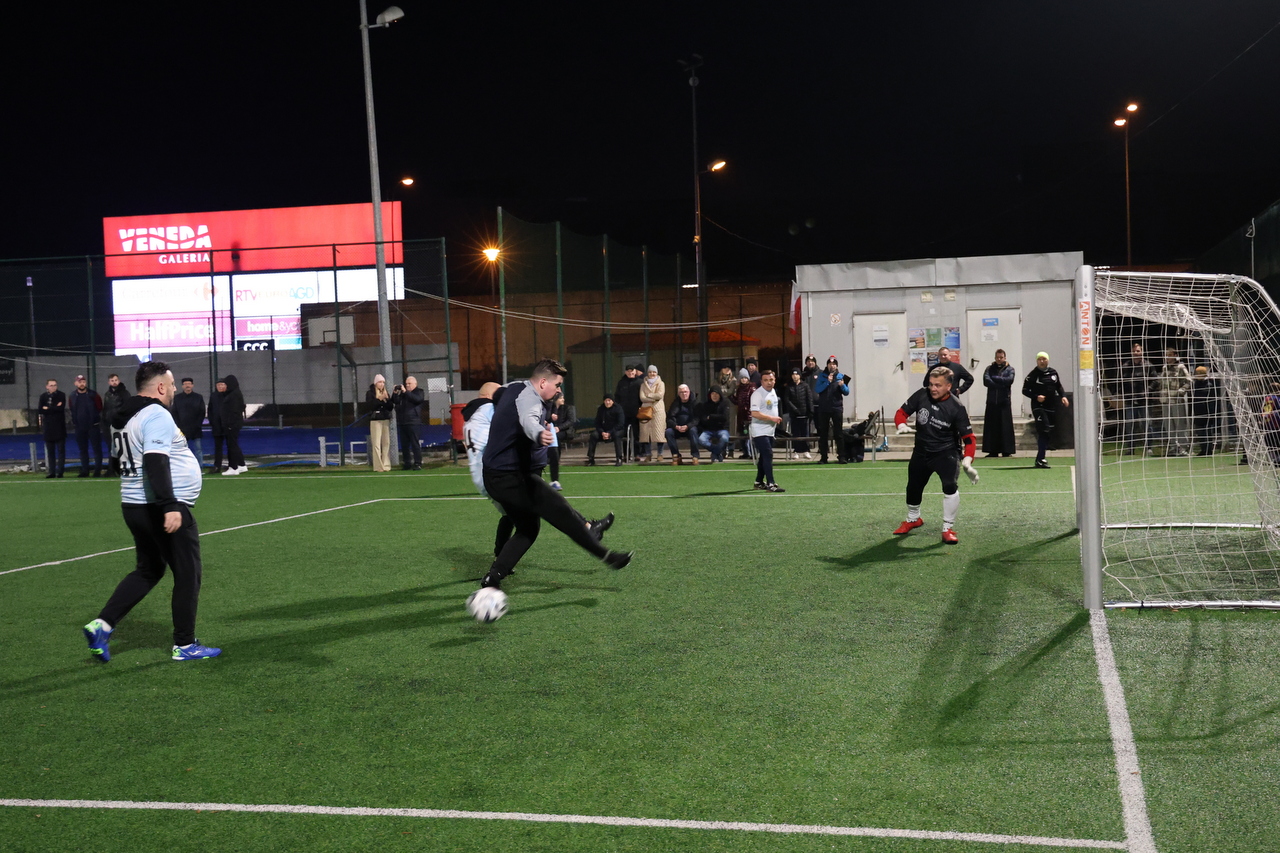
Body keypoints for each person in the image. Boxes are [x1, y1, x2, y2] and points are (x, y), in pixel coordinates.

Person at [81, 360, 220, 663]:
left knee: (150, 569)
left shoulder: (120, 416)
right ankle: (185, 644)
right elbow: (156, 461)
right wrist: (170, 505)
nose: (173, 390)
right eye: (171, 385)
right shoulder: (156, 414)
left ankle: (102, 625)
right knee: (188, 574)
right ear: (160, 387)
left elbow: (116, 462)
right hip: (161, 506)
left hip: (133, 505)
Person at [479, 359, 631, 591]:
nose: (559, 390)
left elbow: (497, 393)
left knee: (528, 529)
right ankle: (608, 557)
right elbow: (529, 420)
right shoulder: (531, 399)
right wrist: (539, 434)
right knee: (562, 512)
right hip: (511, 477)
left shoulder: (513, 387)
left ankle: (493, 577)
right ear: (542, 382)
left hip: (494, 476)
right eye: (557, 384)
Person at [892, 366, 979, 544]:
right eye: (931, 384)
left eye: (938, 385)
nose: (933, 388)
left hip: (946, 453)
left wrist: (968, 461)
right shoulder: (921, 394)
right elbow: (901, 413)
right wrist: (901, 424)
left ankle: (947, 528)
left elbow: (969, 439)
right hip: (921, 451)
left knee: (949, 486)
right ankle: (913, 518)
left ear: (949, 386)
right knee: (913, 487)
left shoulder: (957, 407)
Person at [463, 382, 516, 558]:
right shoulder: (487, 408)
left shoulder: (472, 416)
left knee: (510, 514)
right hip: (492, 474)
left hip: (479, 475)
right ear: (488, 396)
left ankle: (500, 554)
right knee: (527, 514)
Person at [1022, 352, 1069, 469]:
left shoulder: (1053, 373)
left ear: (1048, 360)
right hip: (1039, 406)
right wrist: (1036, 396)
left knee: (1048, 432)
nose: (1042, 361)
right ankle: (1040, 458)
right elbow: (1025, 390)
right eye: (1039, 359)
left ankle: (1040, 458)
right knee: (1044, 429)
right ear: (1037, 361)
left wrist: (1063, 396)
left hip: (1051, 406)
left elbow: (1058, 386)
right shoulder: (1033, 375)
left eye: (1044, 359)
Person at [749, 369, 785, 492]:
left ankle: (758, 482)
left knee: (764, 456)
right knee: (768, 454)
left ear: (775, 380)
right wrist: (772, 418)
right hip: (759, 430)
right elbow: (754, 413)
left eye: (771, 380)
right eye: (766, 380)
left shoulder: (773, 391)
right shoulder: (757, 394)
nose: (769, 382)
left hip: (770, 430)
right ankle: (771, 483)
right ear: (761, 381)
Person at [813, 356, 850, 463]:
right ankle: (824, 457)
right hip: (824, 408)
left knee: (838, 433)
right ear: (827, 365)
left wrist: (842, 386)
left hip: (836, 408)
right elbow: (817, 389)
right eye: (830, 364)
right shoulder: (822, 376)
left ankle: (841, 456)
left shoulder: (841, 376)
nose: (832, 366)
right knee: (823, 433)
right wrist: (827, 382)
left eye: (834, 364)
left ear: (836, 366)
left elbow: (847, 392)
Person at [1119, 343, 1154, 455]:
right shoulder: (1126, 366)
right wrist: (1122, 392)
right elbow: (1121, 381)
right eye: (1134, 351)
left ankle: (1148, 447)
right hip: (1130, 400)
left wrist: (1148, 390)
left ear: (1142, 352)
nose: (1136, 353)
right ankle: (1130, 448)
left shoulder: (1148, 365)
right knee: (1130, 425)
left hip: (1144, 400)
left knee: (1146, 424)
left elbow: (1155, 380)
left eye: (1138, 351)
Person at [981, 349, 1016, 457]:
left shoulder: (1010, 369)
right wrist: (1000, 383)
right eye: (997, 357)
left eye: (1001, 357)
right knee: (992, 427)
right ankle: (992, 451)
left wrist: (996, 378)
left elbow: (1009, 380)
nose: (999, 359)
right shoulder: (989, 369)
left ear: (1005, 358)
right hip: (992, 401)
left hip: (1004, 401)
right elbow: (986, 381)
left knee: (1005, 427)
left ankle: (1007, 451)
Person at [68, 374, 104, 477]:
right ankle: (85, 470)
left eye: (83, 382)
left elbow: (99, 407)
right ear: (75, 383)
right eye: (80, 382)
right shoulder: (72, 396)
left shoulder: (93, 395)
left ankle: (97, 471)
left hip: (93, 426)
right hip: (79, 427)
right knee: (83, 449)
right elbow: (72, 409)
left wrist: (94, 419)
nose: (82, 384)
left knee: (96, 449)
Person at [1158, 347, 1192, 456]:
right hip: (1165, 400)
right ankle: (1173, 447)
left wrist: (1181, 391)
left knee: (1180, 424)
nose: (1167, 357)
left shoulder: (1180, 367)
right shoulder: (1164, 368)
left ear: (1175, 355)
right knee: (1169, 425)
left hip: (1176, 400)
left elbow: (1188, 381)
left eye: (1169, 355)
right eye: (1166, 355)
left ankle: (1183, 447)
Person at [171, 377, 206, 469]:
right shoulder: (177, 398)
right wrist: (179, 426)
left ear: (192, 385)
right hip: (182, 429)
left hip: (196, 429)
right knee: (181, 449)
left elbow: (202, 412)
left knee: (198, 449)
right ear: (182, 386)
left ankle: (199, 468)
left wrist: (198, 425)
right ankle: (183, 468)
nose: (187, 386)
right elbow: (174, 413)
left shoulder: (198, 397)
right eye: (185, 384)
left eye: (189, 384)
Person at [392, 375, 425, 470]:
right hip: (403, 422)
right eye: (406, 384)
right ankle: (407, 463)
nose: (407, 385)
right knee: (404, 444)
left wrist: (406, 392)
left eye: (409, 383)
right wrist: (395, 393)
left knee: (415, 443)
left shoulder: (419, 392)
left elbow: (417, 399)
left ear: (415, 384)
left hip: (413, 422)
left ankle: (417, 463)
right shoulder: (403, 394)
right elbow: (395, 401)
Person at [783, 367, 816, 459]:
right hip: (794, 414)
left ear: (800, 375)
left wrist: (811, 411)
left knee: (805, 432)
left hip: (804, 413)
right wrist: (794, 409)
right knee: (796, 433)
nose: (795, 376)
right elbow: (787, 400)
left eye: (796, 374)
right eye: (793, 374)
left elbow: (809, 399)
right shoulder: (789, 386)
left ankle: (806, 450)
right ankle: (796, 451)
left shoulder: (805, 386)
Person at [102, 373, 130, 477]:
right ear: (109, 382)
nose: (114, 382)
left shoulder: (125, 393)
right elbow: (106, 409)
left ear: (119, 380)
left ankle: (123, 469)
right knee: (111, 448)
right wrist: (104, 422)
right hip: (109, 425)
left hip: (120, 425)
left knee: (122, 448)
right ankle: (111, 469)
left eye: (116, 380)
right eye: (112, 380)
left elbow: (127, 409)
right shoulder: (107, 394)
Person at [38, 378, 67, 478]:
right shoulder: (43, 397)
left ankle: (60, 471)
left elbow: (60, 409)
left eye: (55, 385)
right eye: (51, 385)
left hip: (59, 427)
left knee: (61, 451)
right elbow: (41, 410)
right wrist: (54, 408)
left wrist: (48, 408)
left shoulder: (61, 395)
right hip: (48, 427)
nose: (53, 387)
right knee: (50, 452)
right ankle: (52, 471)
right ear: (47, 386)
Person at [638, 365, 668, 462]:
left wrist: (649, 395)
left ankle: (660, 454)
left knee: (659, 433)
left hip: (658, 410)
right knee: (646, 434)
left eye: (654, 372)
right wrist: (653, 398)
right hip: (646, 410)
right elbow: (642, 398)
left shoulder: (661, 383)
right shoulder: (643, 385)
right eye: (650, 372)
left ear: (657, 373)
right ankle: (648, 454)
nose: (652, 374)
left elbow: (659, 395)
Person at [1190, 365, 1222, 456]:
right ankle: (1203, 449)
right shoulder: (1196, 383)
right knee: (1200, 431)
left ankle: (1208, 449)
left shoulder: (1209, 384)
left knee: (1207, 430)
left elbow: (1211, 398)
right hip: (1198, 410)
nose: (1196, 375)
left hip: (1207, 411)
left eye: (1198, 373)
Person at [587, 393, 626, 466]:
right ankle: (590, 458)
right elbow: (597, 423)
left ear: (613, 401)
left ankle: (619, 458)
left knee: (617, 436)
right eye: (606, 400)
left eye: (609, 400)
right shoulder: (601, 409)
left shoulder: (618, 409)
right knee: (593, 435)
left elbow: (620, 424)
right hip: (603, 431)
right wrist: (602, 432)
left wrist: (609, 433)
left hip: (616, 430)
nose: (607, 402)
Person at [365, 374, 393, 472]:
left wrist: (387, 399)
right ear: (376, 383)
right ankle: (378, 466)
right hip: (375, 420)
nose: (382, 384)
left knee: (386, 442)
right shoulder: (370, 393)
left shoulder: (385, 392)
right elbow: (370, 406)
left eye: (383, 382)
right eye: (380, 382)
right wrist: (379, 399)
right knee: (376, 443)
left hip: (385, 419)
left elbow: (390, 407)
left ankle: (386, 464)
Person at [219, 374, 247, 475]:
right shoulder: (233, 394)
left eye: (226, 384)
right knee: (233, 444)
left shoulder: (234, 395)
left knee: (232, 446)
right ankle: (241, 465)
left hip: (232, 425)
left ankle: (233, 467)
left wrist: (230, 424)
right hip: (232, 424)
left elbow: (234, 411)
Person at [665, 383, 700, 464]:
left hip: (690, 427)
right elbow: (669, 418)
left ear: (689, 392)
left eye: (685, 392)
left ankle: (695, 456)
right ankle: (676, 455)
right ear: (678, 394)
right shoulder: (675, 403)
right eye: (681, 392)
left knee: (693, 431)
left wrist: (687, 426)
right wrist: (676, 426)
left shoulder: (695, 403)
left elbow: (697, 419)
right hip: (677, 428)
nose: (684, 394)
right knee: (668, 432)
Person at [614, 364, 643, 460]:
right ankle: (626, 454)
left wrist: (641, 407)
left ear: (635, 371)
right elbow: (617, 397)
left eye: (632, 371)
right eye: (628, 371)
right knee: (625, 435)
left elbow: (643, 397)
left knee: (637, 434)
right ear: (626, 372)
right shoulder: (621, 383)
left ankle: (637, 454)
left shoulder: (640, 383)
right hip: (624, 413)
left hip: (636, 412)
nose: (630, 373)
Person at [696, 387, 731, 462]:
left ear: (720, 395)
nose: (714, 396)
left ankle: (715, 454)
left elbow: (724, 417)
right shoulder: (705, 405)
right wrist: (715, 418)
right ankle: (717, 452)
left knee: (724, 438)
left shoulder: (725, 403)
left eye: (716, 394)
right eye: (713, 394)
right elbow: (703, 419)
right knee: (701, 439)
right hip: (709, 430)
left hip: (722, 429)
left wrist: (711, 417)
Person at [733, 368, 757, 458]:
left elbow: (754, 401)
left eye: (745, 378)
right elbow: (737, 402)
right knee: (742, 435)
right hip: (741, 415)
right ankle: (746, 453)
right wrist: (730, 397)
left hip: (749, 415)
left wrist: (751, 413)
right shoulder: (739, 389)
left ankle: (753, 453)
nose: (744, 379)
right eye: (742, 378)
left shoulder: (752, 388)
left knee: (751, 436)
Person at [547, 391, 567, 489]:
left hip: (549, 429)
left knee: (554, 455)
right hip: (537, 428)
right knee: (536, 455)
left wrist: (550, 419)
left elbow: (550, 417)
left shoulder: (553, 405)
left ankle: (555, 480)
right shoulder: (539, 399)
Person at [207, 379, 228, 474]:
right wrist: (212, 421)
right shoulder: (213, 396)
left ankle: (232, 466)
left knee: (231, 446)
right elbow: (210, 410)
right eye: (218, 385)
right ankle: (217, 466)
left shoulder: (229, 395)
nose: (220, 387)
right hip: (217, 426)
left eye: (222, 385)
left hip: (228, 426)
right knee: (218, 447)